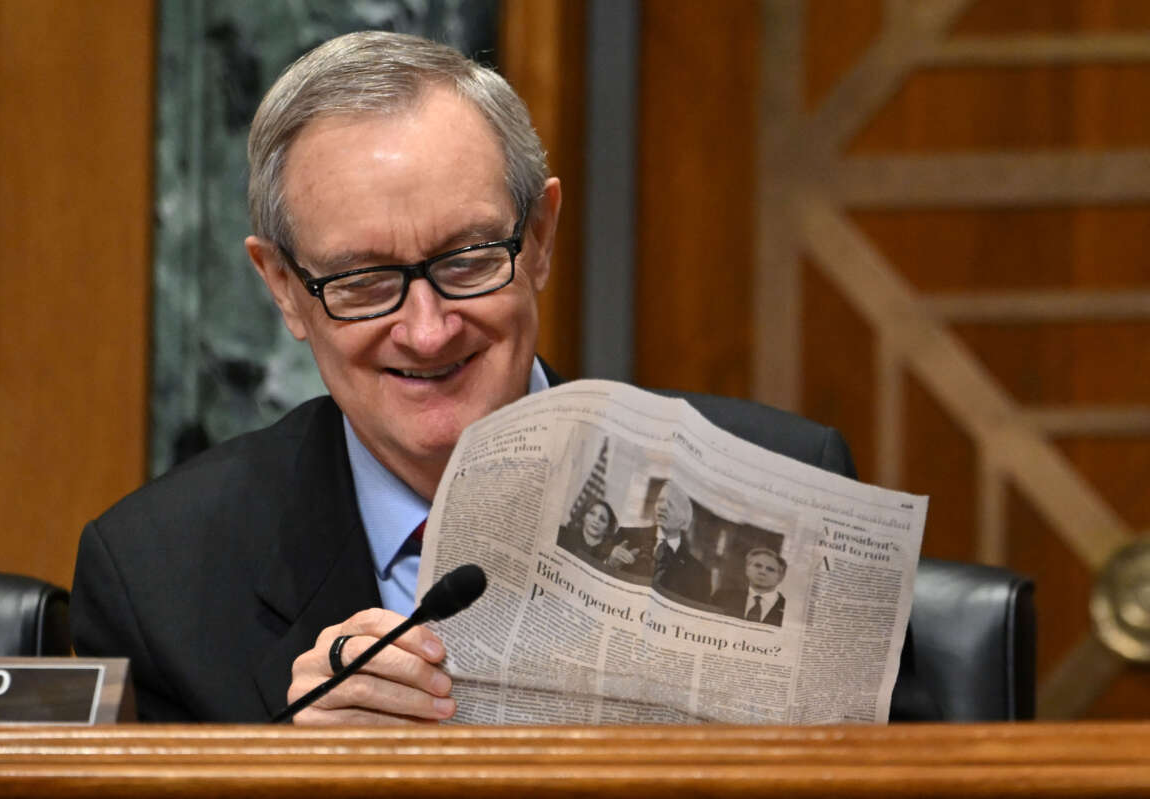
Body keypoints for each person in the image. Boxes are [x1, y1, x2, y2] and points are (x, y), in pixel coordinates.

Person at [70, 30, 896, 725]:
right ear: (285, 289)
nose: (427, 330)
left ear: (537, 239)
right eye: (361, 281)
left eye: (467, 260)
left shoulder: (793, 487)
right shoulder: (159, 574)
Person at [607, 481, 709, 601]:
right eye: (660, 501)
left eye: (671, 505)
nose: (662, 507)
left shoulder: (699, 574)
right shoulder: (627, 536)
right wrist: (609, 564)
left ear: (684, 520)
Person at [714, 548, 787, 626]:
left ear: (780, 577)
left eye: (770, 569)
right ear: (747, 569)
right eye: (758, 566)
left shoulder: (788, 608)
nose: (762, 572)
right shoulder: (722, 597)